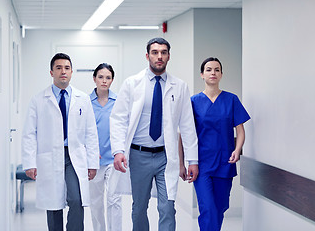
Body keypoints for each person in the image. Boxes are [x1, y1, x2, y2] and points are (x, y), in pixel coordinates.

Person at [110, 37, 199, 231]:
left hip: (166, 157)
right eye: (155, 52)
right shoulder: (132, 83)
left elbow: (187, 125)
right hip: (139, 155)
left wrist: (192, 160)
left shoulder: (180, 86)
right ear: (147, 55)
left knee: (167, 207)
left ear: (168, 56)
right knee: (139, 208)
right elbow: (118, 119)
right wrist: (118, 151)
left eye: (163, 52)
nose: (159, 57)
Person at [21, 53, 99, 231]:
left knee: (76, 200)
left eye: (66, 68)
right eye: (58, 68)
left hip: (74, 157)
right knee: (53, 202)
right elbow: (29, 134)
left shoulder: (82, 99)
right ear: (51, 72)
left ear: (72, 72)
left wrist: (93, 163)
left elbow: (91, 133)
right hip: (50, 155)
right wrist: (30, 162)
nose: (63, 71)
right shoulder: (39, 100)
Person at [185, 57, 250, 230]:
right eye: (208, 69)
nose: (213, 72)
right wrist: (184, 162)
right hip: (202, 163)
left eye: (216, 69)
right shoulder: (193, 102)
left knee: (220, 208)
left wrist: (237, 150)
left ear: (221, 74)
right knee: (208, 208)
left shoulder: (231, 100)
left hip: (225, 161)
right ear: (202, 74)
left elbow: (241, 131)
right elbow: (184, 134)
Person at [88, 63, 122, 231]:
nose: (104, 81)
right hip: (94, 160)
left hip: (113, 159)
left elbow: (124, 128)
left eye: (108, 78)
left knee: (114, 200)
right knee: (96, 202)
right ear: (94, 79)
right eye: (100, 77)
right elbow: (81, 131)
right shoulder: (86, 102)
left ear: (112, 80)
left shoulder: (119, 102)